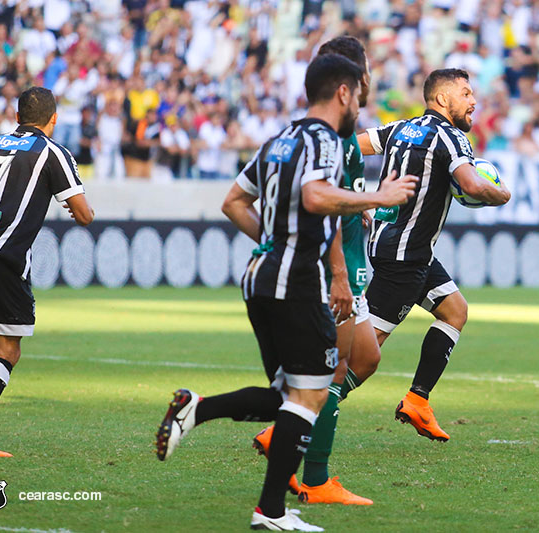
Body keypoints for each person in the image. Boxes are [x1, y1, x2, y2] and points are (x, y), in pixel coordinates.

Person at [154, 54, 416, 531]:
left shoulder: (280, 139)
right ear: (343, 92)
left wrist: (276, 244)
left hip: (261, 276)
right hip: (295, 283)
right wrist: (379, 197)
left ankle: (199, 409)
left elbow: (234, 201)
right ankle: (271, 510)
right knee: (312, 393)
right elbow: (317, 197)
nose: (360, 101)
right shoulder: (324, 141)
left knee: (289, 395)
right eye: (359, 92)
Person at [251, 36, 380, 506]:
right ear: (349, 81)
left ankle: (289, 426)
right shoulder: (330, 136)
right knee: (333, 368)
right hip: (334, 265)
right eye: (363, 76)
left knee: (365, 359)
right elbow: (320, 205)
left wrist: (360, 209)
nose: (367, 85)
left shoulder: (335, 133)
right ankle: (316, 477)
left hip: (349, 257)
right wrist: (339, 272)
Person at [356, 68, 511, 442]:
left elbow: (348, 146)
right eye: (466, 93)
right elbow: (473, 184)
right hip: (404, 260)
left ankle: (417, 401)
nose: (474, 101)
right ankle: (295, 419)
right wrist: (501, 194)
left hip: (403, 249)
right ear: (443, 99)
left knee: (454, 310)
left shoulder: (400, 128)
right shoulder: (450, 136)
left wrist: (357, 194)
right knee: (362, 357)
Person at [0, 87, 94, 457]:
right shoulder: (53, 153)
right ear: (53, 119)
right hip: (2, 258)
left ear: (17, 117)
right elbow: (83, 214)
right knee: (6, 351)